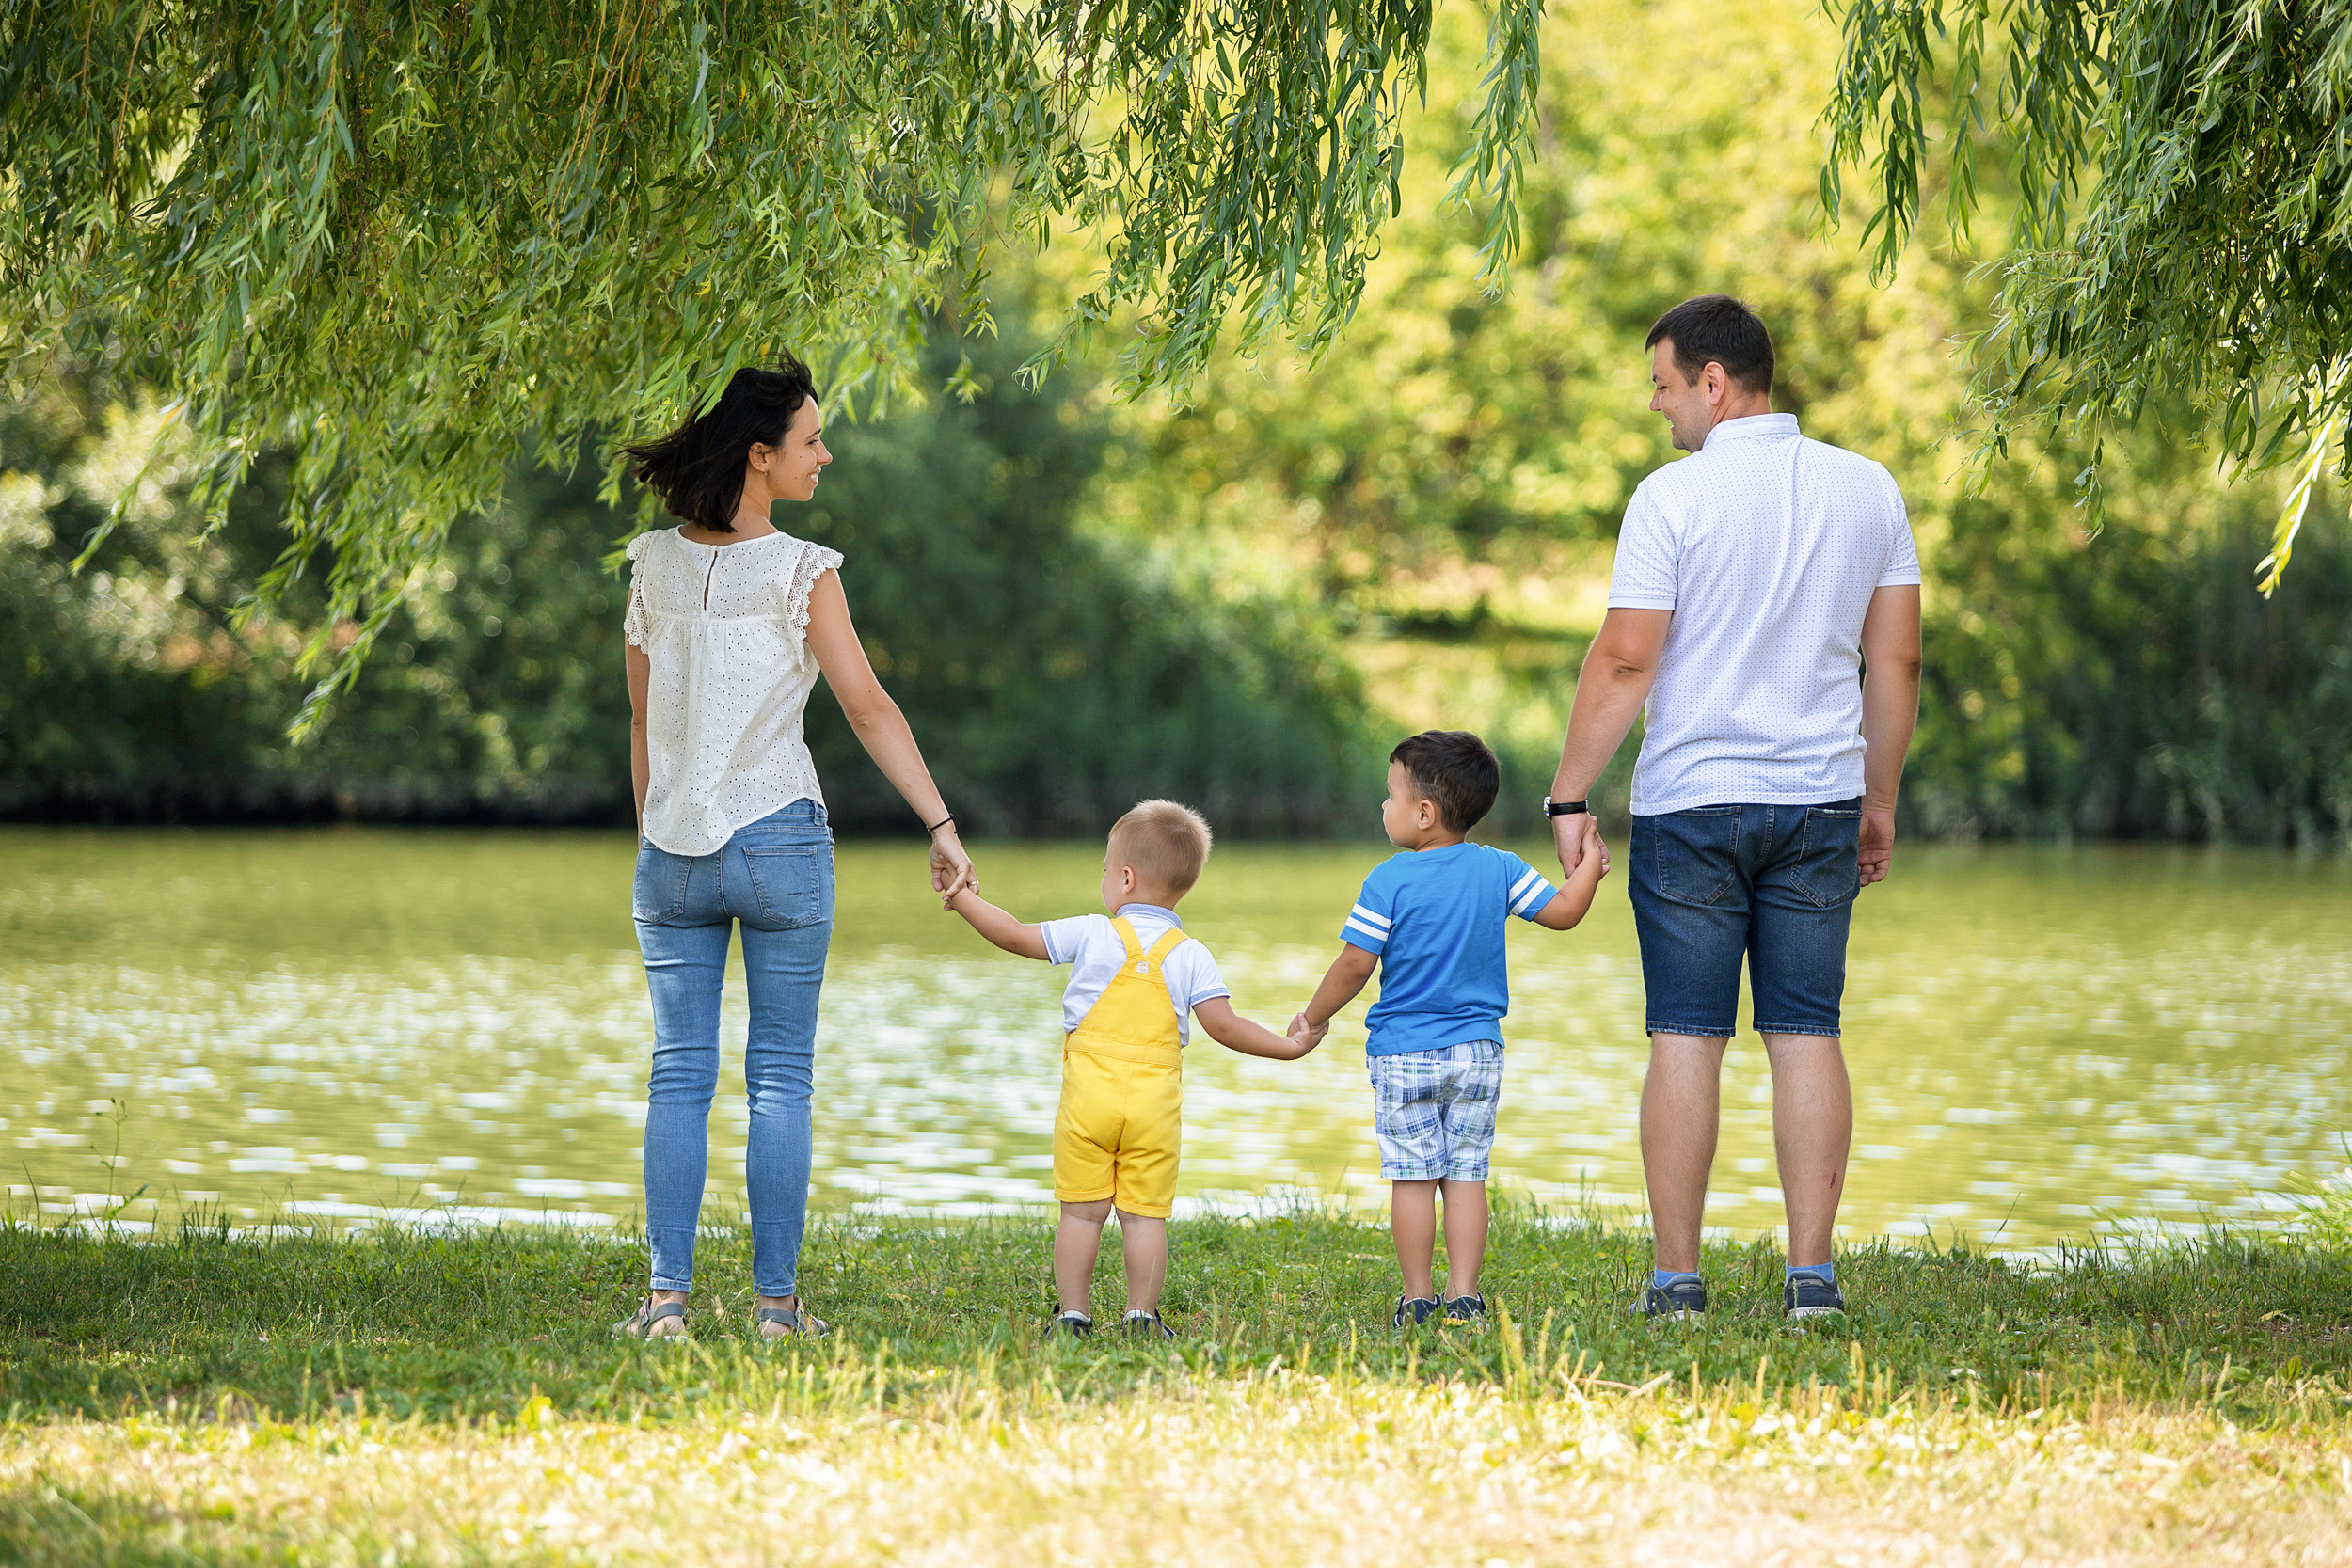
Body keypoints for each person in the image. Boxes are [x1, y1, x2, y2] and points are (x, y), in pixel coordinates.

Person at [1544, 294, 1923, 1323]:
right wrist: (1876, 800)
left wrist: (1569, 791)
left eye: (1663, 384)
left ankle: (1677, 1283)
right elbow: (1894, 657)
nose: (1657, 406)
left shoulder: (1671, 498)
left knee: (1683, 1033)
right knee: (1806, 1030)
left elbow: (1626, 658)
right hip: (1817, 801)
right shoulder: (1868, 488)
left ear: (1714, 381)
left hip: (1692, 804)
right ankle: (1811, 1279)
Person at [612, 356, 977, 1341]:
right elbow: (868, 707)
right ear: (760, 455)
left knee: (678, 1071)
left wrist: (656, 836)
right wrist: (940, 826)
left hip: (673, 847)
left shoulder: (651, 562)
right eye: (811, 440)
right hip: (778, 839)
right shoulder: (802, 569)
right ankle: (776, 1308)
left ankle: (665, 1303)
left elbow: (644, 724)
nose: (825, 454)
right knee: (780, 1074)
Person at [944, 800, 1317, 1339]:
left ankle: (1073, 1316)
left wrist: (965, 899)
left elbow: (1014, 935)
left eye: (1103, 869)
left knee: (1081, 1215)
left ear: (1125, 877)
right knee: (1144, 1217)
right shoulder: (1191, 953)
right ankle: (1141, 1317)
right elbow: (1225, 1026)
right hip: (1153, 1108)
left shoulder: (1094, 932)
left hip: (1088, 1099)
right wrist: (1288, 1047)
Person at [1293, 732, 1610, 1328]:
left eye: (1389, 796)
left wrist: (1313, 1017)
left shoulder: (1388, 881)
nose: (1382, 807)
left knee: (1413, 1178)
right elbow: (1565, 912)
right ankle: (1465, 1296)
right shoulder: (1499, 869)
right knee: (1466, 1173)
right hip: (1478, 1052)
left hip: (1405, 1053)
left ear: (1424, 813)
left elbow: (1355, 964)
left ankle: (1417, 1300)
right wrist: (1590, 864)